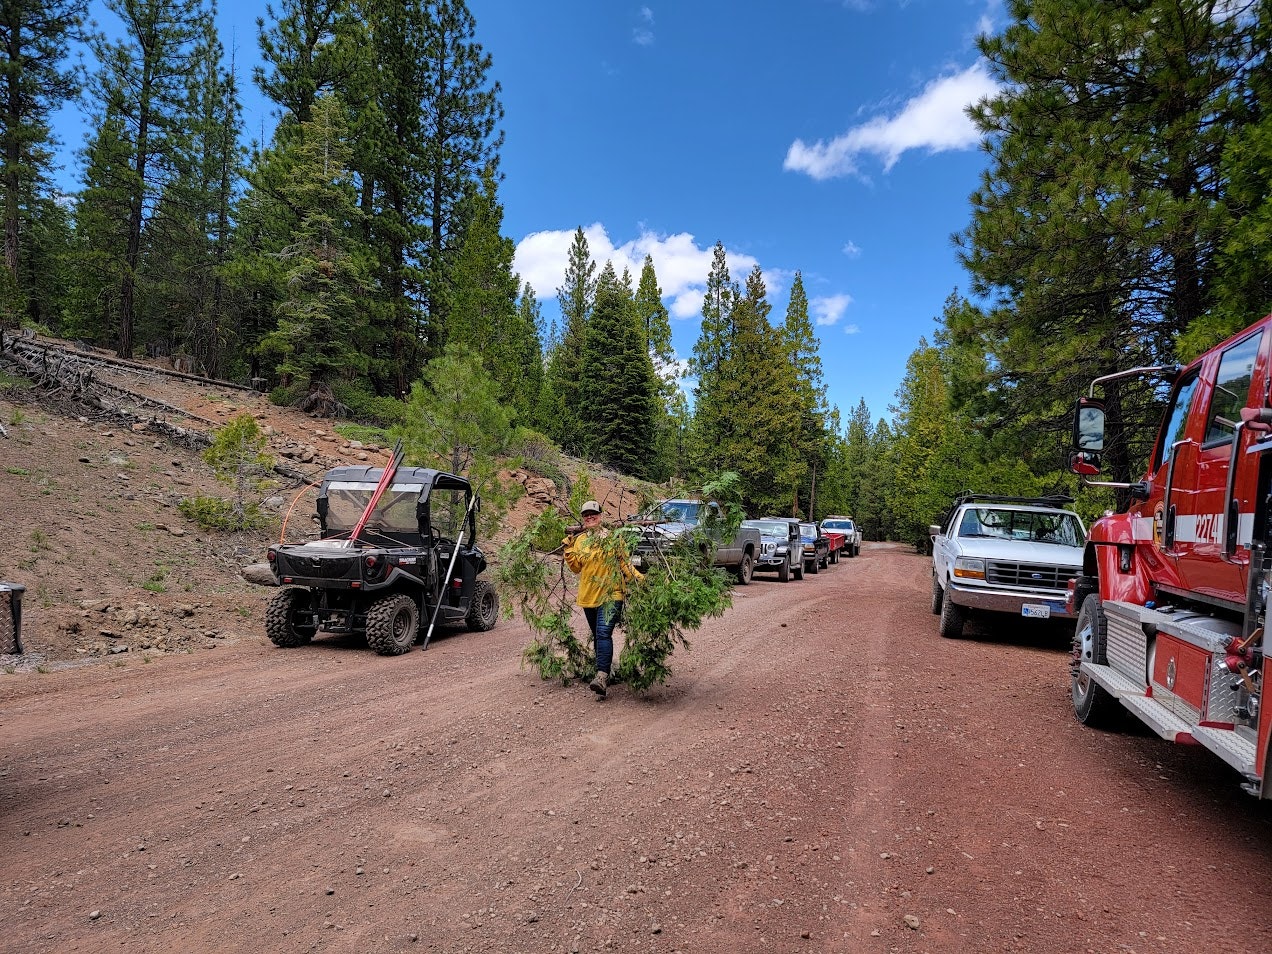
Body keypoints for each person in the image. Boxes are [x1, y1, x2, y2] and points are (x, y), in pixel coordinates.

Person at [563, 500, 642, 698]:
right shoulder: (581, 541)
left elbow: (625, 565)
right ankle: (606, 670)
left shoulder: (613, 539)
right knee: (599, 636)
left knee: (603, 633)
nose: (589, 517)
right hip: (589, 597)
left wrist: (642, 581)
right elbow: (576, 568)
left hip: (612, 594)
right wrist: (568, 550)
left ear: (601, 516)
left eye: (593, 514)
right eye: (586, 515)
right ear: (583, 518)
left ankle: (601, 677)